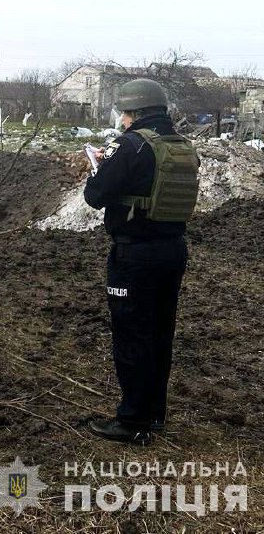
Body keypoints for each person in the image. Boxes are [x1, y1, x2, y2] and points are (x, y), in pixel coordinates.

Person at [83, 78, 198, 445]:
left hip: (134, 254)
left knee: (132, 334)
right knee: (159, 333)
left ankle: (131, 421)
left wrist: (99, 166)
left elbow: (96, 196)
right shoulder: (181, 146)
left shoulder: (129, 145)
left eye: (123, 113)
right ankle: (154, 413)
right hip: (172, 250)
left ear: (133, 112)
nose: (121, 119)